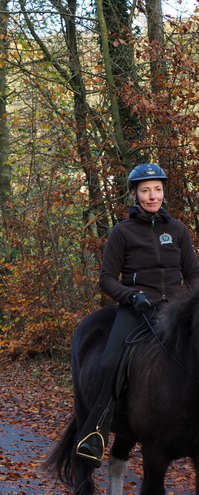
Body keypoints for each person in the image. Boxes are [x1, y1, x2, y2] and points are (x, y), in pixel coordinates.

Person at [75, 163, 199, 466]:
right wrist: (131, 296)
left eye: (157, 189)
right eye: (145, 190)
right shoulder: (123, 232)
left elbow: (193, 273)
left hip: (177, 310)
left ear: (163, 192)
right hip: (137, 309)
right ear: (135, 194)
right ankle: (95, 433)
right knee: (107, 365)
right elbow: (106, 278)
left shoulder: (178, 229)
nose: (152, 195)